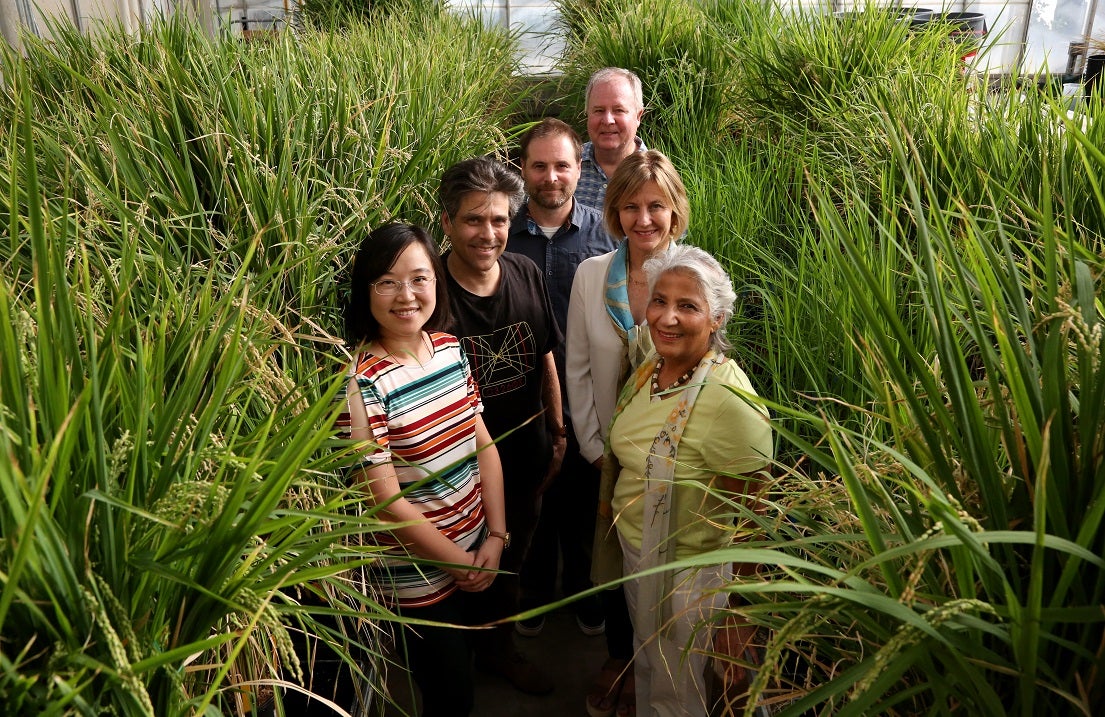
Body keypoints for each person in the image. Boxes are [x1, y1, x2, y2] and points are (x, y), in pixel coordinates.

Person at [594, 243, 773, 717]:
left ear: (716, 319)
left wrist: (737, 615)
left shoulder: (727, 399)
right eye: (660, 301)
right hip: (643, 557)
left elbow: (755, 512)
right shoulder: (653, 366)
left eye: (688, 306)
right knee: (653, 666)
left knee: (683, 694)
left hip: (692, 577)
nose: (667, 317)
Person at [336, 223, 507, 717]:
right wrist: (455, 561)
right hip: (419, 577)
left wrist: (496, 537)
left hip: (479, 549)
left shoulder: (450, 348)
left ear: (437, 281)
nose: (406, 295)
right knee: (448, 694)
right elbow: (386, 502)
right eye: (386, 282)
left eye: (419, 278)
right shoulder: (361, 383)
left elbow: (486, 448)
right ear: (365, 291)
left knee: (466, 671)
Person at [567, 149, 690, 717]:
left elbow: (706, 373)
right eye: (632, 207)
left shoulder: (696, 276)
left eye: (656, 207)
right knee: (614, 556)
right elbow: (578, 368)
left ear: (674, 212)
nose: (644, 220)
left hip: (672, 454)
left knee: (662, 559)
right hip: (606, 453)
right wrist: (594, 448)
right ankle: (621, 661)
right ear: (614, 213)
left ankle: (656, 668)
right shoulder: (592, 276)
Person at [438, 156, 564, 695]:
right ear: (446, 222)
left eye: (498, 220)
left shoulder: (525, 272)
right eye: (473, 220)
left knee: (511, 556)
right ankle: (455, 659)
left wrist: (558, 434)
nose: (488, 234)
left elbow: (546, 357)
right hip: (454, 470)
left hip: (526, 451)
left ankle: (499, 647)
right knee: (460, 569)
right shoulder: (430, 294)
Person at [507, 118, 617, 638]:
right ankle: (532, 592)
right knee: (530, 505)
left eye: (562, 166)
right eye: (540, 166)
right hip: (517, 400)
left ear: (580, 169)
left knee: (583, 503)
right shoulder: (500, 234)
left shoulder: (605, 236)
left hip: (588, 397)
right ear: (523, 170)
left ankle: (584, 591)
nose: (551, 177)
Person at [575, 67, 647, 211]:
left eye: (618, 110)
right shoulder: (566, 165)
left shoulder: (657, 175)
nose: (608, 120)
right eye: (599, 110)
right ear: (587, 113)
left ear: (638, 116)